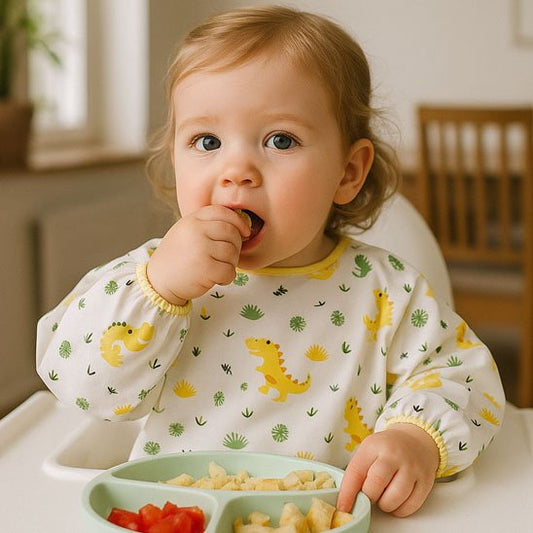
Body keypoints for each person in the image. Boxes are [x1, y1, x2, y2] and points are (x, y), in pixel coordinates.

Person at [36, 5, 505, 518]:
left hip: (322, 519)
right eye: (207, 142)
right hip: (181, 516)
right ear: (175, 157)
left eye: (281, 140)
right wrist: (159, 289)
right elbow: (78, 386)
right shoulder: (149, 281)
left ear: (348, 171)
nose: (236, 170)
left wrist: (417, 437)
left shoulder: (388, 292)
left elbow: (464, 377)